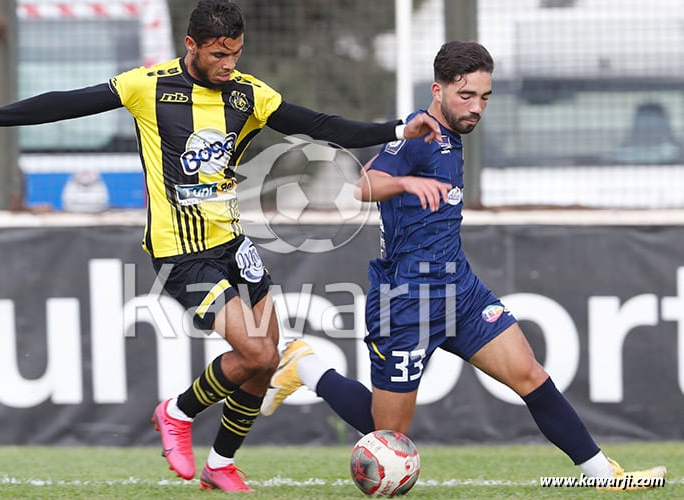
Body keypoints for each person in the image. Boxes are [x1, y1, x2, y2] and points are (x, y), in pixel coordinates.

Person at [0, 0, 442, 493]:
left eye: (235, 54)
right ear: (191, 45)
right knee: (257, 349)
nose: (228, 64)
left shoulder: (248, 94)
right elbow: (66, 103)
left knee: (266, 362)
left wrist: (397, 129)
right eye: (218, 54)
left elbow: (323, 127)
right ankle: (176, 413)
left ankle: (220, 466)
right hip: (181, 251)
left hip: (234, 244)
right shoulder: (147, 87)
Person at [261, 40, 667, 491]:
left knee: (530, 375)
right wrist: (408, 182)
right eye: (466, 96)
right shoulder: (419, 135)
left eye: (485, 97)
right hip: (406, 302)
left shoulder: (453, 133)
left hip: (460, 291)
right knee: (387, 436)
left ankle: (602, 476)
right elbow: (364, 185)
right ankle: (307, 366)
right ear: (438, 90)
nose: (477, 108)